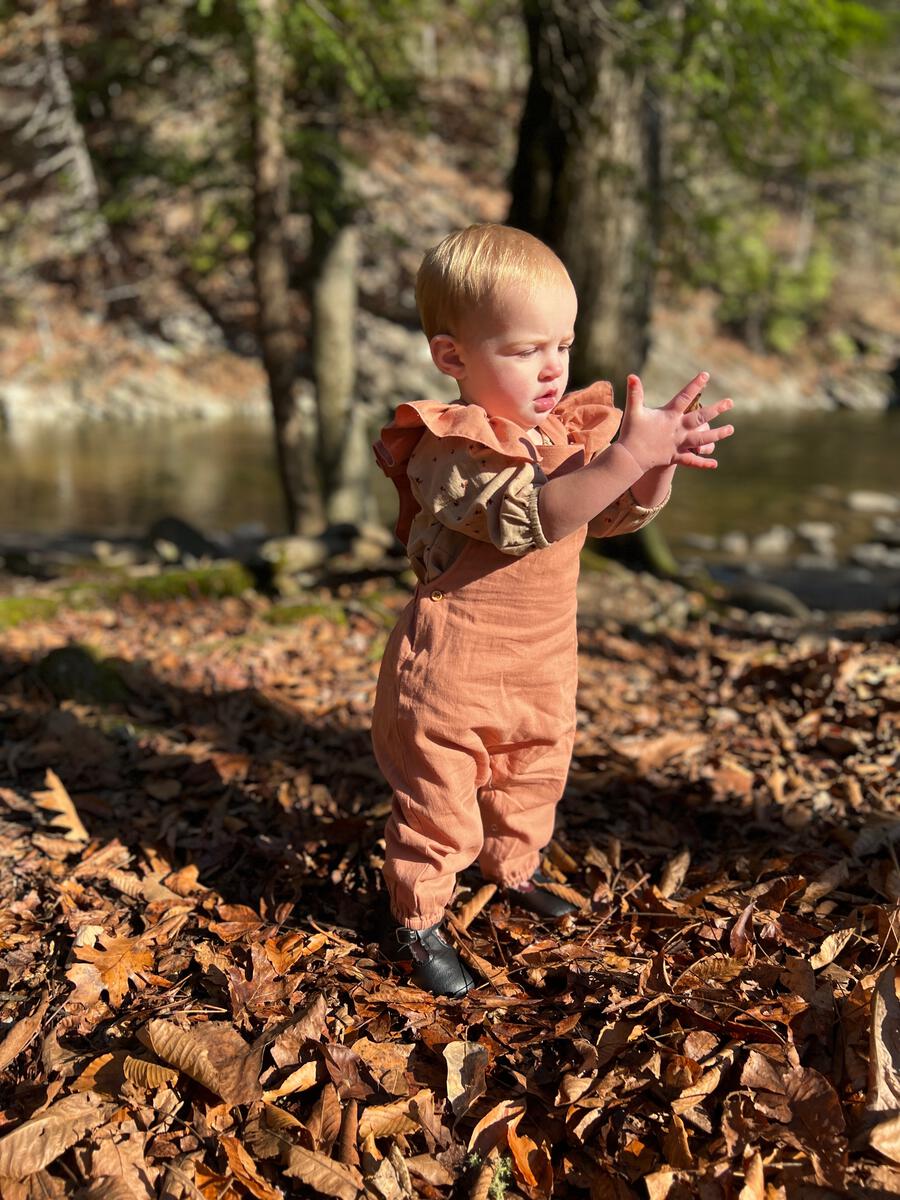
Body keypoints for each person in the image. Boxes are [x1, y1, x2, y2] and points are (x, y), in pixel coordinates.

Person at [371, 223, 734, 996]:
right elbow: (531, 518)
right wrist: (626, 457)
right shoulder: (450, 450)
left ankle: (514, 870)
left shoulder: (569, 433)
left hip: (541, 658)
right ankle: (418, 920)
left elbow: (609, 517)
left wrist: (652, 467)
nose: (551, 368)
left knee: (532, 773)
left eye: (562, 346)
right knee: (441, 802)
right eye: (524, 349)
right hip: (451, 669)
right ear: (453, 357)